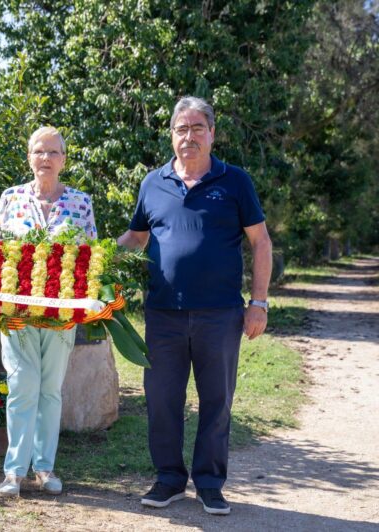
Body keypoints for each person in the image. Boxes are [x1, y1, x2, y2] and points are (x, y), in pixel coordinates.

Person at [117, 96, 272, 515]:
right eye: (181, 129)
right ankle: (168, 479)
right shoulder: (153, 183)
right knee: (162, 399)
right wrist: (93, 260)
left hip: (220, 314)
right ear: (172, 135)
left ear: (212, 133)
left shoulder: (235, 181)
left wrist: (258, 303)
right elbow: (135, 238)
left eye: (197, 128)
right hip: (163, 314)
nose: (189, 136)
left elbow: (261, 243)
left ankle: (209, 483)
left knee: (217, 400)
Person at [0, 126, 97, 497]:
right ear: (29, 157)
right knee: (22, 386)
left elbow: (91, 259)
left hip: (60, 317)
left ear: (64, 160)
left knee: (50, 390)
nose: (45, 159)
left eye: (53, 152)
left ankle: (45, 469)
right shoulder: (11, 198)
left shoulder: (81, 203)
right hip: (17, 314)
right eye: (39, 151)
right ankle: (13, 472)